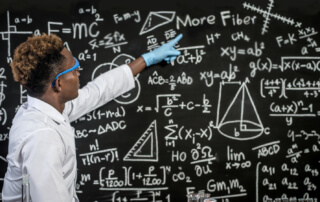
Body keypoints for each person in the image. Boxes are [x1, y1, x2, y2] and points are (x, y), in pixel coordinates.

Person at [2, 33, 182, 202]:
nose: (79, 73)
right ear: (58, 83)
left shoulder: (45, 108)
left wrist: (147, 59)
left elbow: (97, 92)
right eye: (74, 70)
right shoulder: (41, 137)